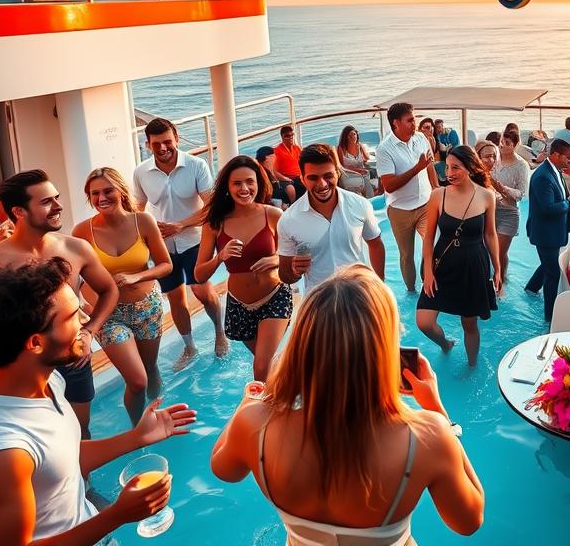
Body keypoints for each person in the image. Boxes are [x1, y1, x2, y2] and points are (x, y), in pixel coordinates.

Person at [210, 265, 484, 545]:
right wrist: (438, 413)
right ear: (384, 352)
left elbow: (224, 470)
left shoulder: (255, 423)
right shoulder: (428, 437)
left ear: (302, 346)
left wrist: (249, 401)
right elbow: (468, 522)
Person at [0, 259, 196, 545]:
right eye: (72, 315)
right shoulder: (2, 449)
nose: (85, 319)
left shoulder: (48, 381)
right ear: (35, 343)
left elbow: (60, 461)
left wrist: (135, 438)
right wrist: (117, 515)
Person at [0, 170, 118, 439]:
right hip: (18, 366)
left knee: (80, 431)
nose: (58, 206)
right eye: (46, 202)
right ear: (19, 211)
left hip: (72, 358)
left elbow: (109, 289)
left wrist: (90, 331)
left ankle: (83, 482)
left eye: (56, 198)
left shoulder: (76, 248)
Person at [71, 168, 172, 425]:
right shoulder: (82, 231)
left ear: (121, 191)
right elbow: (73, 276)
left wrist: (136, 276)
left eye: (107, 191)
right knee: (137, 381)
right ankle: (139, 431)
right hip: (108, 314)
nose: (101, 197)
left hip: (147, 307)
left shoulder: (143, 221)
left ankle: (156, 414)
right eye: (95, 194)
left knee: (150, 370)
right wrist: (79, 303)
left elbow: (165, 264)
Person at [134, 117, 227, 369]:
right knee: (176, 299)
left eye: (167, 142)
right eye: (156, 144)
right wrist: (143, 239)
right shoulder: (141, 172)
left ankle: (220, 331)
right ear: (147, 144)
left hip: (194, 240)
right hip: (162, 246)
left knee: (202, 291)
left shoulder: (197, 165)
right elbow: (137, 209)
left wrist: (181, 225)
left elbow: (211, 207)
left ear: (176, 139)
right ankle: (190, 347)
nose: (163, 148)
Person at [195, 156, 290, 382]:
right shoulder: (215, 224)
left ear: (258, 182)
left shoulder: (274, 215)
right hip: (239, 306)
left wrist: (276, 259)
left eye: (250, 181)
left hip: (274, 297)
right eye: (237, 183)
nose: (244, 188)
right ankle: (291, 393)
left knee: (260, 367)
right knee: (267, 365)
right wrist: (220, 257)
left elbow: (296, 255)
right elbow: (199, 275)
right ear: (227, 187)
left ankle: (266, 414)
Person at [419, 146, 501, 366]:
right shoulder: (438, 195)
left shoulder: (486, 195)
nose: (449, 173)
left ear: (471, 167)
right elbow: (428, 238)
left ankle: (472, 365)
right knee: (424, 322)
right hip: (442, 264)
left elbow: (490, 235)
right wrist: (428, 272)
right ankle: (445, 343)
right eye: (447, 167)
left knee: (469, 324)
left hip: (473, 266)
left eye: (456, 167)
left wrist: (498, 267)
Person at [278, 143, 386, 291]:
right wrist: (296, 271)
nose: (322, 184)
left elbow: (376, 244)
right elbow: (284, 275)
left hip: (359, 295)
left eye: (328, 176)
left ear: (338, 173)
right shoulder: (288, 220)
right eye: (313, 178)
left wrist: (379, 286)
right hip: (318, 302)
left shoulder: (360, 205)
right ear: (302, 179)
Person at [376, 103, 437, 293]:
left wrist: (436, 189)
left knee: (432, 248)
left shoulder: (420, 139)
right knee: (406, 255)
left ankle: (428, 282)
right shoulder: (384, 149)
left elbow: (429, 166)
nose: (415, 123)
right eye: (410, 120)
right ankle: (411, 291)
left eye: (414, 118)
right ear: (396, 123)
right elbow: (389, 185)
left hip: (426, 205)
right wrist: (415, 169)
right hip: (400, 210)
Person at [526, 138, 570, 322]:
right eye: (567, 157)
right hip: (545, 233)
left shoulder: (554, 171)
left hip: (552, 231)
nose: (569, 160)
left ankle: (531, 287)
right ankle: (550, 316)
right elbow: (548, 208)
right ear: (555, 155)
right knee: (553, 272)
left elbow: (559, 192)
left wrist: (567, 196)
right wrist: (568, 203)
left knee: (548, 262)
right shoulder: (542, 177)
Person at [491, 130, 531, 279]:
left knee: (500, 252)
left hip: (509, 212)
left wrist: (503, 189)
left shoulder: (521, 165)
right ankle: (493, 277)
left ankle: (501, 278)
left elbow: (521, 194)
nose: (502, 145)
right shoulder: (494, 160)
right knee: (490, 249)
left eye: (507, 143)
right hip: (490, 210)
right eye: (501, 141)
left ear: (515, 145)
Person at [337, 125, 376, 197]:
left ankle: (370, 198)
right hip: (348, 173)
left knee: (367, 174)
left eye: (354, 134)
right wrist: (356, 170)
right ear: (345, 137)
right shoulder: (341, 149)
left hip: (362, 173)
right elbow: (340, 166)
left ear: (357, 135)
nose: (353, 137)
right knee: (364, 179)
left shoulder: (360, 146)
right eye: (349, 135)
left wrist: (365, 156)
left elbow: (366, 158)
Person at [273, 125, 304, 196]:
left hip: (300, 176)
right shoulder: (277, 151)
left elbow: (303, 162)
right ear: (282, 137)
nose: (290, 137)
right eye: (287, 136)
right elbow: (275, 171)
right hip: (289, 179)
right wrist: (285, 179)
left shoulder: (296, 148)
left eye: (292, 135)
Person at [419, 117, 447, 184]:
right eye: (427, 127)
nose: (431, 129)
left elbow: (436, 159)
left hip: (436, 171)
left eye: (432, 127)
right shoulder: (419, 143)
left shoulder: (435, 139)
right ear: (421, 130)